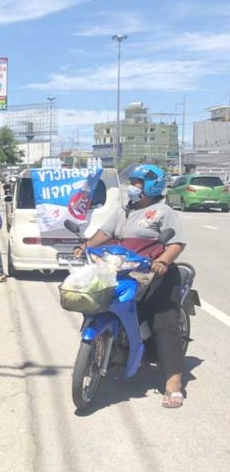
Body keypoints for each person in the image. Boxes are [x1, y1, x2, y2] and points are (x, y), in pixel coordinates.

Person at [74, 164, 187, 408]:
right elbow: (104, 233)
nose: (133, 187)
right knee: (99, 303)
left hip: (156, 275)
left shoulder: (163, 212)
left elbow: (176, 243)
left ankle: (174, 383)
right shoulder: (124, 211)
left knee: (164, 323)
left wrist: (163, 261)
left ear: (151, 186)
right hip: (124, 271)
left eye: (138, 183)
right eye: (132, 182)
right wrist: (85, 246)